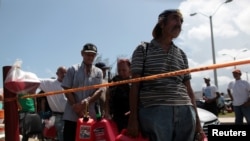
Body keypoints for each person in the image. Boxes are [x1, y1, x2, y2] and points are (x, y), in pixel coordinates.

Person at [127, 9, 205, 141]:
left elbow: (189, 89)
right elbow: (135, 86)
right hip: (155, 112)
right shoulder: (143, 49)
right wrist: (133, 118)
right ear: (162, 23)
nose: (179, 23)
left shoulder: (181, 54)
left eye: (181, 21)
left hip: (186, 112)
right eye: (175, 18)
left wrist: (197, 121)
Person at [61, 43, 103, 141]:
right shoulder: (73, 69)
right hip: (72, 115)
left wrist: (86, 102)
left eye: (93, 55)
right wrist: (75, 106)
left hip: (89, 118)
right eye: (88, 54)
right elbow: (66, 89)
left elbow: (99, 90)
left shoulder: (98, 72)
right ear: (82, 54)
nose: (90, 57)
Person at [39, 66, 67, 141]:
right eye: (62, 72)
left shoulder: (69, 85)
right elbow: (35, 81)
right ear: (57, 74)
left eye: (65, 73)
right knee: (61, 135)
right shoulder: (50, 84)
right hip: (58, 116)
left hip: (69, 115)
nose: (64, 74)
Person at [104, 58, 131, 133]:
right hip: (116, 118)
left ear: (130, 69)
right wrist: (107, 112)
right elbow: (108, 97)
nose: (121, 73)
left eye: (124, 70)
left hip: (131, 118)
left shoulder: (135, 82)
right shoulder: (114, 81)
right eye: (119, 70)